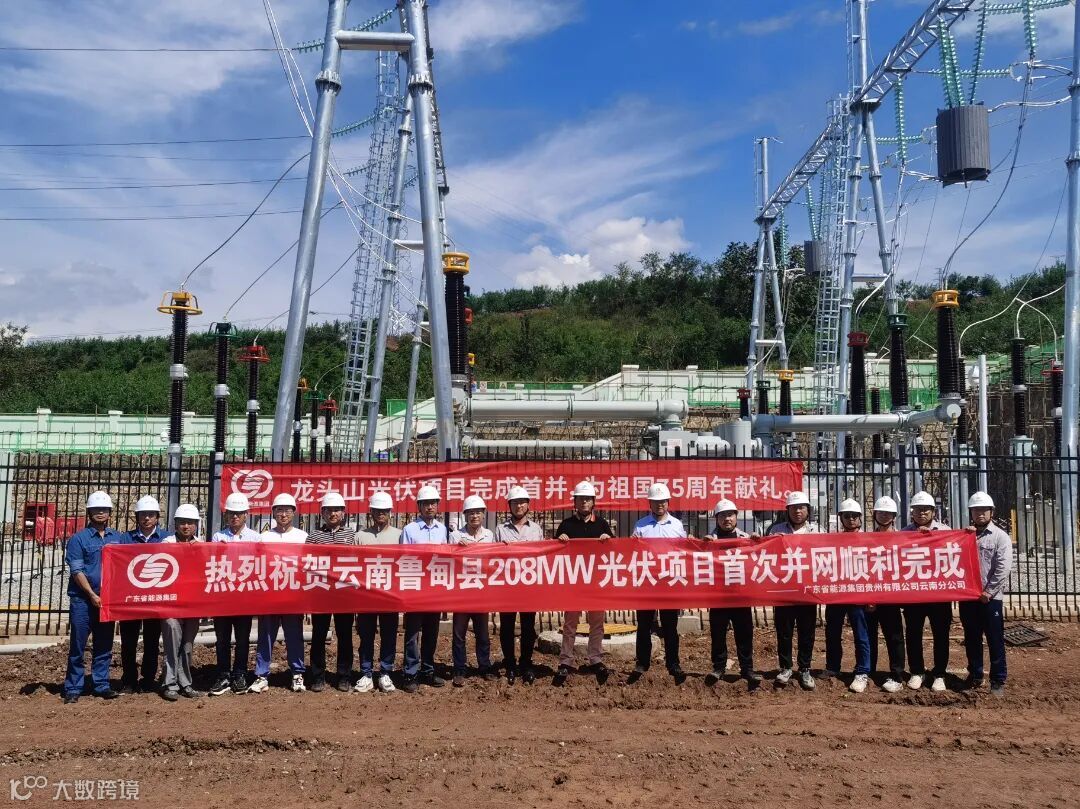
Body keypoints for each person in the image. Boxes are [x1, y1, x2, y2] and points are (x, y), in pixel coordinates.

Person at [62, 491, 124, 704]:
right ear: (89, 512)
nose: (100, 513)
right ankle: (73, 688)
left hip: (107, 601)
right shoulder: (78, 539)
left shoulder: (117, 538)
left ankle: (101, 685)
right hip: (82, 600)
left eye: (104, 509)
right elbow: (77, 571)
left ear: (109, 512)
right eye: (96, 509)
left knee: (104, 645)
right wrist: (91, 594)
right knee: (77, 646)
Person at [554, 480, 613, 686]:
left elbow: (614, 550)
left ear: (593, 501)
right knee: (570, 622)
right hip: (574, 581)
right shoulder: (566, 525)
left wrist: (608, 539)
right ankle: (566, 660)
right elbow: (554, 551)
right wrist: (559, 540)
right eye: (581, 499)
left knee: (596, 622)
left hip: (596, 581)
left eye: (587, 499)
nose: (584, 502)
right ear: (575, 502)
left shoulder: (602, 524)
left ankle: (595, 658)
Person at [250, 493, 308, 695]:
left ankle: (297, 673)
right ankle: (261, 675)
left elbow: (307, 568)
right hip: (270, 596)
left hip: (293, 596)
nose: (283, 514)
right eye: (279, 510)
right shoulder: (264, 537)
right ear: (273, 513)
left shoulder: (303, 537)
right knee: (265, 636)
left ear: (294, 513)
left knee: (295, 636)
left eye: (287, 510)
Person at [702, 498, 761, 690]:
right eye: (722, 516)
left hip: (740, 595)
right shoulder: (709, 540)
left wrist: (756, 543)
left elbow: (757, 560)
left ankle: (747, 669)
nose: (727, 519)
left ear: (736, 517)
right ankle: (718, 667)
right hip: (718, 596)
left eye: (730, 515)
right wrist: (702, 545)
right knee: (718, 633)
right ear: (716, 519)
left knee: (744, 633)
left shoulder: (745, 538)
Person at [630, 482, 686, 684]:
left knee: (670, 626)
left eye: (662, 501)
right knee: (644, 625)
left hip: (669, 582)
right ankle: (642, 663)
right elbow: (633, 551)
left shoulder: (677, 526)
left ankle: (673, 663)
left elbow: (685, 551)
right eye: (655, 501)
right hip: (647, 582)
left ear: (668, 502)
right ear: (650, 504)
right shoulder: (641, 525)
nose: (659, 505)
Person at [959, 491, 1012, 697]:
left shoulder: (1000, 537)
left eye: (984, 510)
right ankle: (975, 674)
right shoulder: (965, 536)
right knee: (971, 638)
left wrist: (988, 592)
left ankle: (997, 679)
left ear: (992, 512)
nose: (980, 513)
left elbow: (1003, 568)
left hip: (990, 599)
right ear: (971, 513)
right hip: (969, 598)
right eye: (976, 510)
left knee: (995, 639)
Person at [208, 492, 261, 697]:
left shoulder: (255, 538)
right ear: (226, 514)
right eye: (231, 513)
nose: (235, 517)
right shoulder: (218, 537)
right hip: (223, 597)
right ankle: (223, 674)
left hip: (244, 597)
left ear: (246, 514)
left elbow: (259, 565)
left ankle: (240, 673)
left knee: (242, 638)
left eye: (239, 513)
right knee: (222, 638)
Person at [768, 490, 821, 690]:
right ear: (787, 511)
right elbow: (765, 555)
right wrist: (774, 542)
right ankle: (786, 667)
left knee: (807, 631)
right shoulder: (776, 530)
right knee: (784, 631)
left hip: (807, 590)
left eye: (801, 508)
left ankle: (805, 668)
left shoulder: (817, 531)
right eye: (793, 508)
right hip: (784, 590)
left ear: (808, 510)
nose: (797, 512)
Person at [494, 485, 545, 685]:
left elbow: (542, 556)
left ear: (528, 505)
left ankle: (526, 663)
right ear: (510, 506)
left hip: (528, 587)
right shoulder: (501, 529)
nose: (519, 506)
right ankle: (509, 663)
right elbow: (493, 557)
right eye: (515, 503)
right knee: (506, 627)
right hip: (507, 586)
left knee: (528, 627)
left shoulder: (536, 529)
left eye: (522, 502)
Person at [307, 491, 357, 692]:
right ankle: (317, 676)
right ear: (322, 513)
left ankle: (344, 676)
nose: (333, 514)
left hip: (344, 593)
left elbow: (358, 561)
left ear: (343, 513)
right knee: (318, 635)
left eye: (337, 510)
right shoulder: (314, 536)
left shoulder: (352, 535)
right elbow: (307, 562)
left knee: (345, 635)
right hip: (321, 593)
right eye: (328, 510)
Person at [902, 490, 952, 692]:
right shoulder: (903, 534)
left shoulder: (946, 531)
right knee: (913, 633)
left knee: (941, 634)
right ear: (912, 512)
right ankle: (917, 671)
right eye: (918, 509)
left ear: (933, 511)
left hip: (939, 594)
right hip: (914, 594)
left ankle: (939, 674)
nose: (921, 513)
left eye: (926, 509)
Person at [117, 495, 168, 694]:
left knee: (152, 641)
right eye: (143, 514)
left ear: (157, 517)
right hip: (130, 599)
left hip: (155, 599)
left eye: (150, 514)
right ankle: (129, 680)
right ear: (137, 517)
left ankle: (148, 679)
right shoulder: (125, 539)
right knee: (128, 642)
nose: (147, 518)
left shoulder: (166, 539)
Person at [401, 485, 448, 693]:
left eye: (433, 503)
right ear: (419, 506)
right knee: (412, 634)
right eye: (425, 504)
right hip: (415, 589)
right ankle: (410, 673)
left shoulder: (442, 530)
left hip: (434, 590)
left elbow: (446, 559)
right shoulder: (409, 530)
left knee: (431, 632)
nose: (430, 507)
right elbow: (403, 559)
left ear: (437, 506)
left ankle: (428, 670)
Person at [822, 499, 871, 694]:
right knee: (832, 632)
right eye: (847, 516)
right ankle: (833, 667)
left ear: (860, 518)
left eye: (854, 516)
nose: (851, 519)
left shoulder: (869, 540)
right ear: (841, 518)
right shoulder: (833, 540)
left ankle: (862, 671)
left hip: (858, 594)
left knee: (861, 634)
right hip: (837, 593)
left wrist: (872, 598)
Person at [354, 491, 401, 694]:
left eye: (384, 510)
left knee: (389, 635)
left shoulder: (400, 535)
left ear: (390, 512)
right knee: (366, 636)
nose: (381, 514)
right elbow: (354, 565)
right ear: (371, 512)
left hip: (390, 595)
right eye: (377, 510)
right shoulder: (360, 536)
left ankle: (385, 672)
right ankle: (366, 673)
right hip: (367, 596)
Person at [449, 495, 496, 686]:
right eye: (470, 513)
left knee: (482, 633)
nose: (474, 516)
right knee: (459, 633)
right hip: (462, 591)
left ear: (483, 515)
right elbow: (449, 560)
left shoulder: (489, 535)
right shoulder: (455, 536)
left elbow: (494, 560)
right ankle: (459, 668)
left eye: (478, 512)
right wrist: (457, 548)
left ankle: (484, 666)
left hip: (481, 591)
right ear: (465, 515)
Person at [159, 504, 204, 702]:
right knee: (172, 644)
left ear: (196, 525)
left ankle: (185, 683)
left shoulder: (202, 546)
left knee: (187, 645)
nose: (186, 526)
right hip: (171, 605)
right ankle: (170, 684)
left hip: (192, 605)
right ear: (175, 524)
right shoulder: (166, 544)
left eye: (190, 523)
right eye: (182, 523)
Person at [864, 496, 906, 693]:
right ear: (875, 515)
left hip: (891, 596)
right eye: (880, 512)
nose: (884, 516)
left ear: (894, 516)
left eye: (888, 513)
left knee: (894, 636)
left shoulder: (903, 538)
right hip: (870, 595)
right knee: (869, 636)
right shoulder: (867, 539)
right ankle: (869, 672)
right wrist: (870, 597)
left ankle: (897, 675)